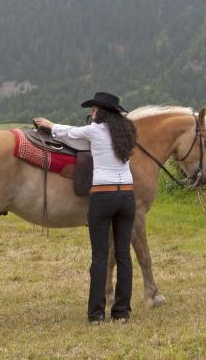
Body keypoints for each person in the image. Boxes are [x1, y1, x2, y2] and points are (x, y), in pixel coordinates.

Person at [33, 91, 137, 324]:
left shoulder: (94, 131)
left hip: (103, 196)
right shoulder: (128, 132)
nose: (91, 112)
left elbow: (70, 133)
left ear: (101, 111)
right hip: (127, 195)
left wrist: (49, 124)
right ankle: (121, 312)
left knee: (99, 257)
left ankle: (96, 314)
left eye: (93, 109)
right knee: (123, 255)